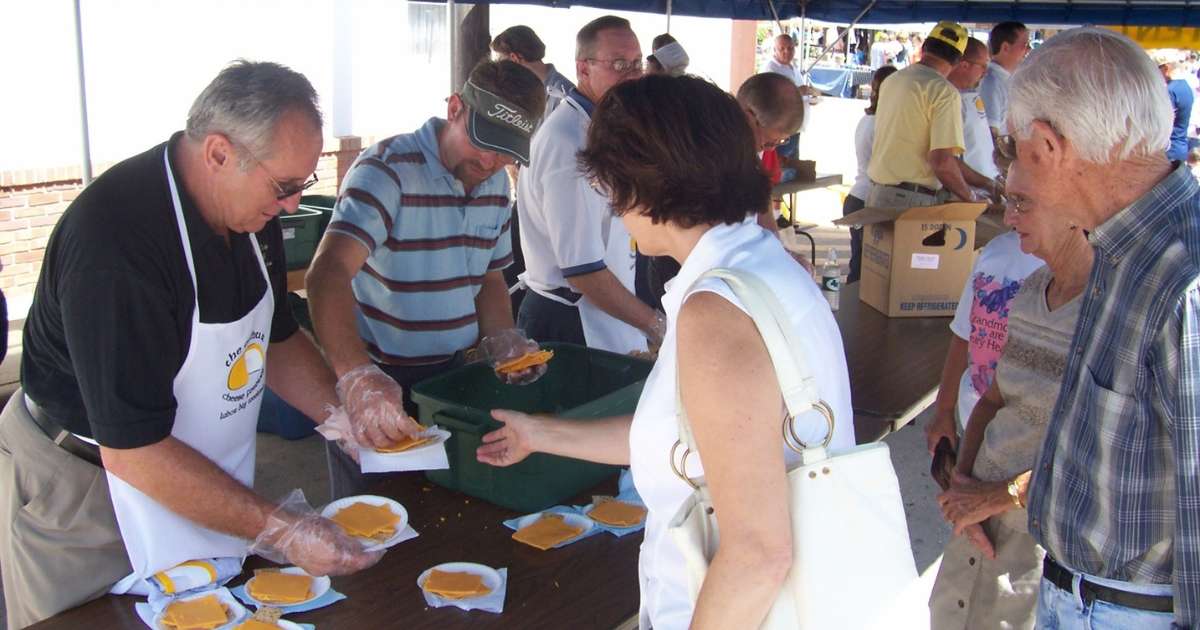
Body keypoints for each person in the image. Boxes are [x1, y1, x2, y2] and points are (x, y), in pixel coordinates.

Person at [0, 61, 384, 628]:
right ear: (219, 153)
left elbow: (274, 337)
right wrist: (280, 527)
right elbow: (132, 450)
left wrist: (341, 411)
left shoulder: (253, 217)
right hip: (86, 491)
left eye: (303, 185)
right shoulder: (116, 246)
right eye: (284, 187)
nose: (290, 205)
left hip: (197, 473)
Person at [477, 73, 854, 630]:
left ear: (642, 184)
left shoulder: (716, 309)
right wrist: (540, 434)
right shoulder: (755, 264)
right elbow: (686, 439)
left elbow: (757, 554)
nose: (608, 203)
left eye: (608, 183)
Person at [1004, 27, 1200, 628]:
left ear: (1048, 145)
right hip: (1084, 598)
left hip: (1128, 613)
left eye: (1013, 146)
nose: (1013, 166)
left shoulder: (1181, 280)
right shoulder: (1119, 245)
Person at [306, 60, 545, 499]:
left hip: (452, 377)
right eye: (484, 141)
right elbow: (328, 274)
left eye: (506, 150)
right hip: (378, 372)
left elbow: (490, 276)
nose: (491, 161)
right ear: (455, 108)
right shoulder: (386, 171)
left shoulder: (495, 187)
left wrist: (503, 337)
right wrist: (356, 377)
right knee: (374, 513)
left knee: (442, 505)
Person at [927, 188, 1092, 630]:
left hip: (1033, 530)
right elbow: (993, 399)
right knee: (949, 611)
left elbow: (1097, 454)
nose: (1009, 215)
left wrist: (998, 496)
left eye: (1024, 201)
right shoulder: (1034, 287)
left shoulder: (1107, 308)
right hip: (980, 507)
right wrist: (964, 483)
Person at [516, 15, 663, 354]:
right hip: (570, 324)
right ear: (583, 69)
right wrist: (658, 327)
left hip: (612, 312)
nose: (633, 75)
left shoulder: (604, 127)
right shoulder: (567, 141)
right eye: (619, 64)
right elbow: (584, 271)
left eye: (637, 63)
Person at [867, 21, 996, 209]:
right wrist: (972, 198)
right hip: (911, 200)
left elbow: (939, 156)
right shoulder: (943, 91)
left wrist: (985, 184)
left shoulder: (893, 80)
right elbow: (942, 162)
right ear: (959, 61)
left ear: (925, 46)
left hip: (877, 194)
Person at [843, 65, 897, 284]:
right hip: (867, 199)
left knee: (860, 267)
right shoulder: (881, 124)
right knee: (864, 272)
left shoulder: (868, 119)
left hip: (859, 196)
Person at [491, 24, 576, 119]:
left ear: (514, 58)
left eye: (501, 61)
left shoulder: (565, 95)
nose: (501, 68)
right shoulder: (524, 91)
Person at [947, 38, 1001, 183]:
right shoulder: (947, 100)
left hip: (987, 184)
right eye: (983, 66)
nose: (985, 72)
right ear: (964, 65)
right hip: (970, 191)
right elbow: (949, 160)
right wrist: (986, 185)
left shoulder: (971, 94)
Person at [979, 21, 1030, 140]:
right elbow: (991, 134)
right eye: (1025, 45)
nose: (1028, 49)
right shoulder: (991, 82)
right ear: (1006, 47)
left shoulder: (1008, 79)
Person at [1154, 50, 1194, 162]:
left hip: (1168, 150)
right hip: (1180, 147)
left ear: (1166, 68)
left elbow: (1160, 122)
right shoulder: (1186, 87)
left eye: (1156, 69)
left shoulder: (1170, 91)